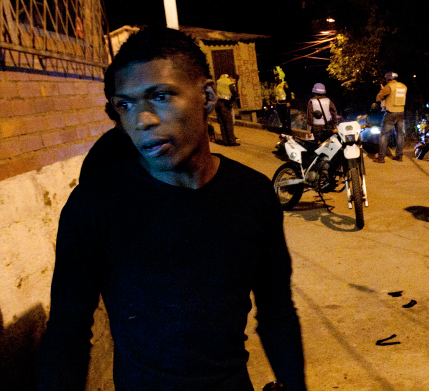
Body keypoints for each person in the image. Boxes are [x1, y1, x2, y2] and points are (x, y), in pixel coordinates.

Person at [37, 27, 307, 391]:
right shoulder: (95, 207)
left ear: (207, 97)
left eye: (160, 96)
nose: (142, 120)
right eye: (125, 105)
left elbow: (277, 313)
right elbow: (67, 334)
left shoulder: (253, 194)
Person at [373, 71, 407, 162]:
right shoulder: (403, 86)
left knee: (384, 135)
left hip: (391, 112)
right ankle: (399, 156)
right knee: (400, 135)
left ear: (388, 78)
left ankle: (381, 157)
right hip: (401, 112)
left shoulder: (389, 86)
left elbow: (379, 98)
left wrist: (382, 90)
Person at [215, 73, 239, 146]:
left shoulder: (218, 81)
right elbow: (235, 94)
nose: (234, 82)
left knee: (222, 123)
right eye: (235, 80)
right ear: (232, 78)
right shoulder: (230, 82)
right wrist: (231, 101)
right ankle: (231, 141)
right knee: (228, 123)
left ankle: (225, 141)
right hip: (225, 103)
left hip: (217, 103)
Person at [274, 66, 293, 132]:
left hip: (284, 104)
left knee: (287, 118)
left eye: (276, 76)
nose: (275, 78)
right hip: (279, 104)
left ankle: (289, 131)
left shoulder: (284, 84)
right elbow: (276, 95)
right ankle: (284, 129)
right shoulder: (276, 85)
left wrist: (288, 102)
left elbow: (288, 93)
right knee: (281, 117)